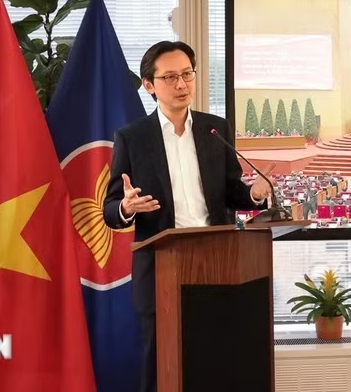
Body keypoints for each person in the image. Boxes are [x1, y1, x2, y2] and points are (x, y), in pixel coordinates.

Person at [102, 41, 272, 392]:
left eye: (187, 74)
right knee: (159, 360)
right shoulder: (133, 138)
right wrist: (126, 207)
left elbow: (231, 191)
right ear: (149, 85)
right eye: (170, 77)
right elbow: (110, 209)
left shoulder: (215, 129)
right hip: (159, 267)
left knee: (215, 358)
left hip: (218, 261)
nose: (181, 84)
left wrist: (254, 194)